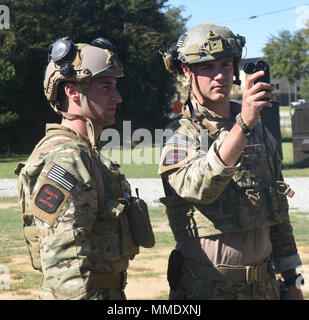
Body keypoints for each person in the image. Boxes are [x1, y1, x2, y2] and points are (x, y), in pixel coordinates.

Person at [158, 24, 304, 300]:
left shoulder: (258, 129)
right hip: (207, 289)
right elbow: (198, 187)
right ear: (187, 72)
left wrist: (293, 279)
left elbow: (278, 210)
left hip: (265, 288)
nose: (220, 75)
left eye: (226, 65)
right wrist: (243, 125)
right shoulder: (180, 133)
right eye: (207, 67)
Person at [15, 37, 154, 300]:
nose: (118, 97)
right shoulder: (66, 157)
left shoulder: (86, 153)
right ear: (72, 91)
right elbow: (63, 262)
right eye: (106, 86)